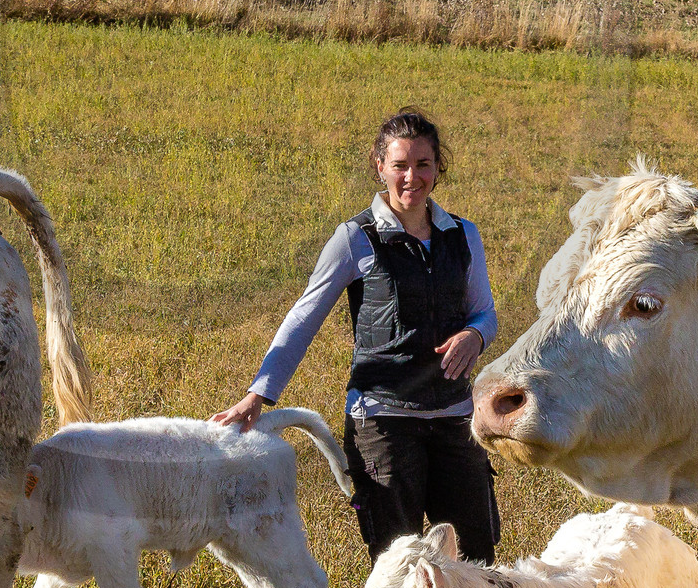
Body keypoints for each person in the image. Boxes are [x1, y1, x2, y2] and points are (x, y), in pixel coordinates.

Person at [213, 108, 501, 562]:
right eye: (400, 165)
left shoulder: (463, 235)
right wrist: (258, 395)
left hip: (455, 421)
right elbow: (304, 316)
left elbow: (485, 312)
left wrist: (475, 336)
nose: (412, 177)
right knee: (394, 569)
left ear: (437, 167)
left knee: (475, 563)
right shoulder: (354, 238)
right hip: (382, 423)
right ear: (380, 166)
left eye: (423, 164)